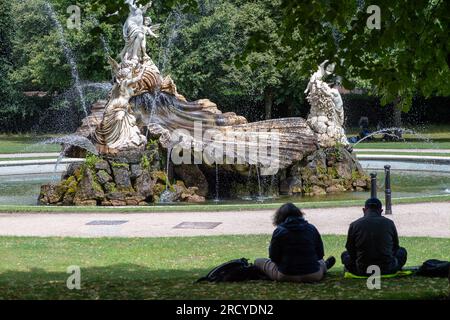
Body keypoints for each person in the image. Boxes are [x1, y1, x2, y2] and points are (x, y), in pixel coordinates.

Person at [255, 203, 336, 283]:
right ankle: (325, 266)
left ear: (279, 217)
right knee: (321, 262)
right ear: (299, 214)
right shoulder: (312, 228)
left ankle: (263, 274)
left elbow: (274, 258)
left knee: (258, 261)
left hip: (286, 275)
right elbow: (320, 255)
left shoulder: (279, 231)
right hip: (314, 274)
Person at [341, 198, 407, 275]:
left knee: (345, 254)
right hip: (387, 268)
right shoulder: (389, 223)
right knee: (402, 251)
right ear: (381, 211)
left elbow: (350, 249)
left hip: (363, 269)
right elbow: (395, 247)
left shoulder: (355, 224)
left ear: (364, 210)